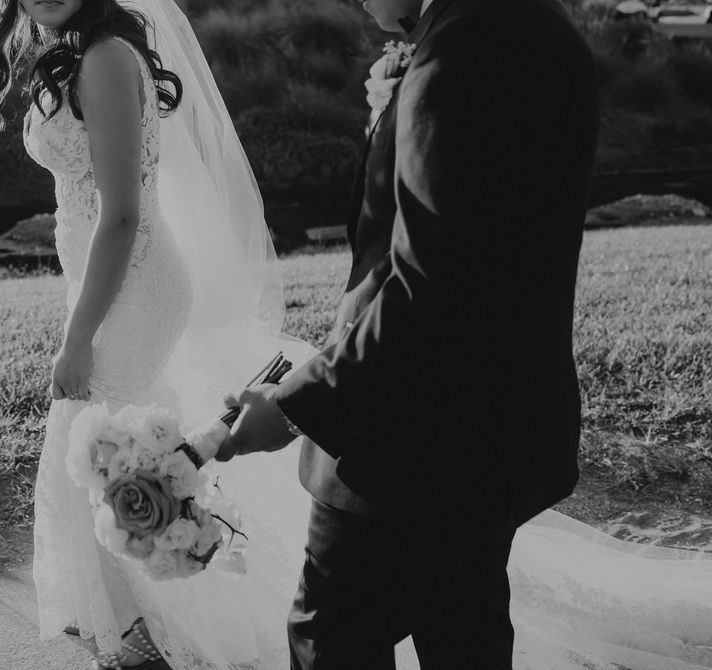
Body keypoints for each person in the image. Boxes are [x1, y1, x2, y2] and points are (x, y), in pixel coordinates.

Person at [219, 0, 712, 669]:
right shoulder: (536, 25)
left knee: (330, 639)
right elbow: (489, 221)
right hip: (492, 434)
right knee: (463, 637)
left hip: (409, 448)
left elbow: (432, 280)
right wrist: (394, 116)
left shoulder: (463, 47)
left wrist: (295, 404)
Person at [0, 1, 316, 668]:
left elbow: (122, 216)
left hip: (133, 288)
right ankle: (142, 627)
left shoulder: (104, 57)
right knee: (110, 459)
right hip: (115, 285)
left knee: (101, 460)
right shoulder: (88, 50)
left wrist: (78, 340)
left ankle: (152, 635)